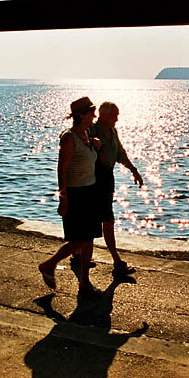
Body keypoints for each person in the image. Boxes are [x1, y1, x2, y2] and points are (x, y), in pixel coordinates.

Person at [38, 97, 102, 296]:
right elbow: (62, 169)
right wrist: (63, 198)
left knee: (89, 239)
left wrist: (96, 146)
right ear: (81, 115)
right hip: (76, 194)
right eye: (92, 112)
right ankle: (49, 264)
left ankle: (84, 283)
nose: (95, 115)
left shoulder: (86, 135)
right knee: (79, 241)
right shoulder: (69, 138)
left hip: (90, 191)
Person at [89, 101, 144, 278]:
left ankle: (78, 255)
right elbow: (74, 140)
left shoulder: (112, 131)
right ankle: (117, 262)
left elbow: (120, 153)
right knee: (106, 219)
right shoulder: (92, 129)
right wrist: (92, 143)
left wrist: (134, 170)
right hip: (94, 178)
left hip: (107, 177)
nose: (117, 119)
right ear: (103, 115)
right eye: (115, 116)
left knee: (99, 218)